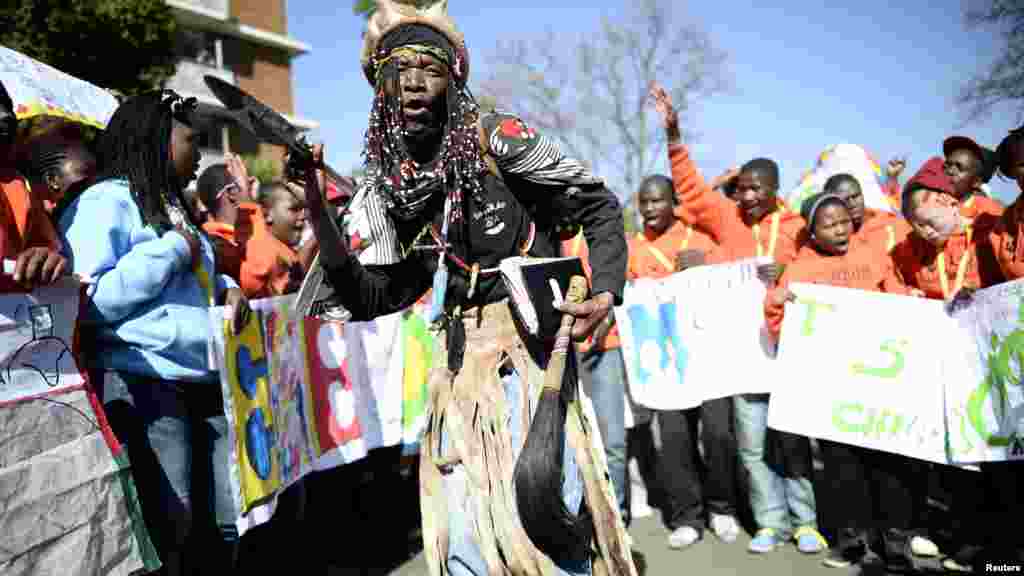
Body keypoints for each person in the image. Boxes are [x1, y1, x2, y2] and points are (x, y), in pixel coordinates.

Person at [292, 1, 635, 574]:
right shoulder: (393, 185)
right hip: (460, 366)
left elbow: (599, 203)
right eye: (397, 75)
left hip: (532, 356)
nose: (413, 86)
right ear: (381, 91)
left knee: (549, 500)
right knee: (467, 525)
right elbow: (375, 293)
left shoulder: (499, 137)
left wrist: (604, 290)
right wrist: (316, 207)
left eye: (427, 70)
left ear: (452, 79)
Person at [57, 90, 251, 576]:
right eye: (192, 140)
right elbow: (90, 302)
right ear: (157, 138)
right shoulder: (103, 203)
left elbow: (194, 280)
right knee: (171, 524)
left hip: (205, 381)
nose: (200, 153)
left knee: (228, 520)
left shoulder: (175, 208)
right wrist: (170, 251)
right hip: (142, 382)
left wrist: (225, 288)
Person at [650, 82, 827, 555]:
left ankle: (806, 522)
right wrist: (673, 134)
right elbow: (688, 185)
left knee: (791, 441)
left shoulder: (796, 228)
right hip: (744, 352)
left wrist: (786, 270)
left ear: (774, 190)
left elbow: (821, 267)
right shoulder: (727, 221)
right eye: (743, 188)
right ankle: (768, 522)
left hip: (788, 347)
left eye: (756, 188)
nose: (747, 196)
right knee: (750, 445)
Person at [763, 192, 932, 571]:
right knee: (843, 469)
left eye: (843, 221)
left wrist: (913, 300)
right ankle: (852, 542)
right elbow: (778, 328)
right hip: (831, 390)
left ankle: (895, 543)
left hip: (880, 385)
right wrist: (779, 302)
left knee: (888, 467)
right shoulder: (800, 270)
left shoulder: (874, 255)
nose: (839, 229)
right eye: (828, 224)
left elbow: (898, 300)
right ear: (812, 231)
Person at [624, 174, 741, 551]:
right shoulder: (634, 249)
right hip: (666, 362)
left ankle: (722, 508)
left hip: (709, 356)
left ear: (673, 202)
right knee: (674, 441)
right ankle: (687, 516)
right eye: (644, 201)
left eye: (657, 200)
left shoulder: (698, 239)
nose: (650, 208)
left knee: (719, 434)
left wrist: (706, 261)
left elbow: (734, 267)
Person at [0, 81, 67, 291]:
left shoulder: (17, 186)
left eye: (5, 105)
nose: (5, 115)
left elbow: (48, 252)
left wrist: (43, 258)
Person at [824, 173, 909, 256]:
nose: (852, 203)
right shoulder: (827, 241)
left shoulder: (890, 224)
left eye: (855, 196)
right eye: (845, 199)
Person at [943, 135, 1002, 216]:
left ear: (976, 182)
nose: (949, 171)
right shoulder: (930, 199)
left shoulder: (987, 212)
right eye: (946, 165)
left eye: (959, 168)